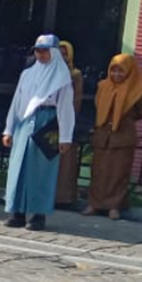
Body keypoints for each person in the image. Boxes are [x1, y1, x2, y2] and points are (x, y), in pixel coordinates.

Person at [2, 34, 75, 232]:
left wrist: (65, 136)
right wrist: (9, 129)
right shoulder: (27, 74)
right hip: (25, 121)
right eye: (38, 50)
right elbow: (17, 102)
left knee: (42, 170)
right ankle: (17, 212)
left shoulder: (62, 76)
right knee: (19, 167)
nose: (41, 54)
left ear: (54, 52)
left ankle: (37, 215)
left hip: (48, 121)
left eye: (45, 51)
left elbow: (65, 107)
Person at [83, 54, 142, 221]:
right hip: (103, 137)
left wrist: (125, 119)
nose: (117, 75)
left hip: (123, 138)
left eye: (121, 71)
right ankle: (94, 204)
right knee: (98, 172)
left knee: (118, 174)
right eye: (113, 71)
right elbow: (98, 105)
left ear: (129, 71)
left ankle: (114, 207)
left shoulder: (137, 90)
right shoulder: (103, 86)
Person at [54, 40, 84, 210]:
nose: (62, 57)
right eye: (59, 53)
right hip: (49, 120)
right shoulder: (49, 71)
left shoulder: (75, 74)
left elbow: (76, 99)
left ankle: (63, 198)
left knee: (65, 163)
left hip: (66, 121)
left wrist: (68, 119)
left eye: (65, 54)